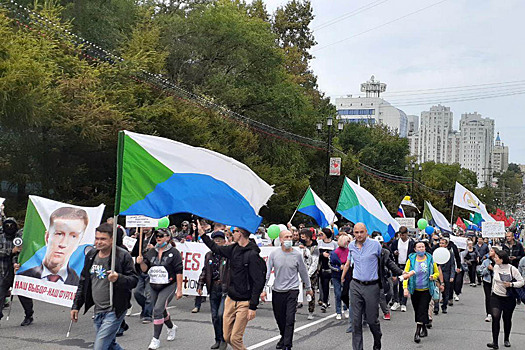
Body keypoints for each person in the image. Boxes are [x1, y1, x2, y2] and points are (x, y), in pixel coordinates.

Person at [71, 223, 138, 350]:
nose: (99, 242)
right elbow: (83, 281)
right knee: (110, 345)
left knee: (100, 346)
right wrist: (76, 306)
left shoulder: (122, 256)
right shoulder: (91, 255)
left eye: (103, 239)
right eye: (97, 238)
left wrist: (119, 278)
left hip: (114, 309)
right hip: (98, 310)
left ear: (112, 239)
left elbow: (134, 280)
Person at [342, 222, 408, 350]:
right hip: (356, 285)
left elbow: (387, 261)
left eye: (362, 232)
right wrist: (343, 275)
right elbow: (349, 262)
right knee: (356, 322)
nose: (359, 235)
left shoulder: (375, 245)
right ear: (353, 233)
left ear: (366, 232)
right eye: (356, 232)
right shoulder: (351, 246)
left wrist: (400, 272)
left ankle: (377, 339)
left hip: (372, 286)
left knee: (372, 321)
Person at [200, 224, 266, 350]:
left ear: (240, 233)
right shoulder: (233, 249)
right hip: (230, 299)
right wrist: (203, 235)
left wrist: (253, 306)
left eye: (234, 231)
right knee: (227, 336)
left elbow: (258, 282)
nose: (231, 233)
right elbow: (216, 248)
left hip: (244, 302)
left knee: (235, 338)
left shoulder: (252, 255)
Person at [261, 230, 313, 350]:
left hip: (292, 290)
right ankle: (283, 337)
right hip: (278, 290)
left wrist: (308, 288)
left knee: (290, 318)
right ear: (280, 239)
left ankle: (287, 345)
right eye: (286, 237)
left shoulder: (297, 255)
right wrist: (263, 289)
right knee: (280, 318)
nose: (289, 239)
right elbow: (267, 273)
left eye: (290, 237)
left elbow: (303, 272)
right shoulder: (274, 254)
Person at [136, 228, 183, 350]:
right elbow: (145, 269)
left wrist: (179, 289)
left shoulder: (174, 253)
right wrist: (140, 262)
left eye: (161, 235)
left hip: (168, 285)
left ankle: (155, 339)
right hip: (153, 284)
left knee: (157, 309)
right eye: (157, 235)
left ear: (168, 237)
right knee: (160, 309)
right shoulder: (151, 251)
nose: (158, 237)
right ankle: (171, 327)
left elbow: (179, 271)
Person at [20, 207, 89, 285]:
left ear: (79, 242)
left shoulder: (79, 283)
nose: (63, 244)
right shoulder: (24, 275)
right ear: (47, 236)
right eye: (59, 234)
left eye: (73, 236)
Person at [197, 230, 229, 350]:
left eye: (220, 240)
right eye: (215, 240)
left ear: (224, 242)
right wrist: (200, 285)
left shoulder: (227, 255)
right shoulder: (209, 255)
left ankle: (224, 339)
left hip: (225, 288)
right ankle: (218, 339)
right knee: (215, 316)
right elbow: (205, 271)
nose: (217, 242)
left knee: (221, 314)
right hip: (213, 287)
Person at [403, 241, 440, 343]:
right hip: (414, 289)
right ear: (415, 249)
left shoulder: (430, 259)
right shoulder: (411, 260)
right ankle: (423, 326)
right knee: (417, 310)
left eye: (423, 247)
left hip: (426, 289)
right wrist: (405, 288)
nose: (421, 249)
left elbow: (436, 272)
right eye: (419, 247)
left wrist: (434, 276)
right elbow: (406, 274)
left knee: (422, 309)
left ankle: (417, 333)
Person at [487, 249, 524, 349]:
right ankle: (495, 342)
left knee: (507, 319)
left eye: (496, 257)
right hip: (496, 296)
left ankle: (506, 339)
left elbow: (521, 282)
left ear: (502, 259)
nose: (495, 258)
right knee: (495, 317)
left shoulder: (512, 269)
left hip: (509, 297)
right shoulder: (495, 267)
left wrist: (511, 284)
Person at [0, 217, 34, 326]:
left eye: (12, 226)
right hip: (3, 272)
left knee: (24, 295)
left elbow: (24, 253)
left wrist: (18, 261)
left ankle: (29, 315)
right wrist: (11, 251)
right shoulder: (1, 237)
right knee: (0, 296)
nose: (9, 228)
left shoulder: (20, 237)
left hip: (18, 272)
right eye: (7, 226)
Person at [131, 226, 155, 323]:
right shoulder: (139, 238)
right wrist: (132, 242)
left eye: (147, 225)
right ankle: (146, 308)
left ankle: (148, 315)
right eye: (143, 226)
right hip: (139, 270)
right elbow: (133, 252)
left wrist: (154, 248)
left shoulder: (156, 236)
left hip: (151, 269)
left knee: (149, 294)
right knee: (137, 292)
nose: (145, 228)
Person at [389, 226, 414, 312]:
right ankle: (396, 301)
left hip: (406, 265)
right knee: (395, 283)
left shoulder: (411, 243)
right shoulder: (395, 242)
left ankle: (403, 303)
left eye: (403, 235)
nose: (402, 236)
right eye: (400, 235)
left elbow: (413, 254)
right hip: (397, 265)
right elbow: (391, 252)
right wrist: (394, 252)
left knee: (404, 284)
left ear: (407, 234)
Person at [298, 228, 319, 320]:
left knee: (310, 291)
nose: (302, 237)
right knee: (296, 290)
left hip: (311, 273)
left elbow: (314, 263)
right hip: (300, 272)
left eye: (304, 235)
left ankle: (311, 311)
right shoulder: (299, 246)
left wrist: (308, 274)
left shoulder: (315, 248)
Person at [329, 234, 350, 320]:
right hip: (336, 275)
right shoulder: (334, 252)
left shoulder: (349, 251)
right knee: (337, 294)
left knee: (346, 293)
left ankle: (346, 308)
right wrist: (338, 268)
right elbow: (330, 264)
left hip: (347, 275)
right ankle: (338, 311)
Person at [433, 237, 455, 315]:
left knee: (445, 292)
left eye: (443, 243)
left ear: (446, 244)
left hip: (447, 274)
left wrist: (452, 276)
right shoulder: (436, 252)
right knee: (436, 290)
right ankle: (436, 307)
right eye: (440, 243)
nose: (441, 245)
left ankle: (444, 306)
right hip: (437, 273)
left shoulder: (450, 253)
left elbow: (452, 265)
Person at [317, 228, 338, 313]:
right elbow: (316, 255)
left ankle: (340, 305)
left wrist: (330, 255)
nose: (320, 235)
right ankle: (325, 301)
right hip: (323, 267)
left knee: (336, 287)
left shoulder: (334, 244)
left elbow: (337, 255)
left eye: (322, 234)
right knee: (324, 285)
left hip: (332, 268)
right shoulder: (319, 243)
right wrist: (322, 254)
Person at [481, 248, 496, 322]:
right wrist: (487, 268)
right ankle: (489, 313)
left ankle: (496, 312)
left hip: (496, 282)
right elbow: (481, 272)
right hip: (487, 281)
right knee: (488, 297)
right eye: (490, 251)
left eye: (492, 251)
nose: (490, 252)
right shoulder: (486, 261)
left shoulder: (499, 261)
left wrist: (493, 269)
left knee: (495, 297)